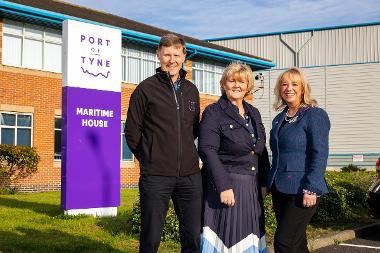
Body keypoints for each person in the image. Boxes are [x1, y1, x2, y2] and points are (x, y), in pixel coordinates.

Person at [124, 33, 202, 253]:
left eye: (176, 54)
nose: (171, 59)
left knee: (193, 237)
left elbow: (193, 130)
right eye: (167, 54)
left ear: (184, 56)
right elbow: (131, 131)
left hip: (189, 176)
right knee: (150, 237)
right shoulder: (145, 89)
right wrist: (149, 158)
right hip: (156, 175)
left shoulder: (191, 91)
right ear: (158, 55)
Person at [199, 62, 270, 253]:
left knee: (249, 239)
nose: (237, 86)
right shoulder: (213, 112)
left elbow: (261, 151)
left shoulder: (254, 113)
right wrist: (223, 186)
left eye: (242, 82)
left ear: (248, 86)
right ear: (224, 84)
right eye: (232, 81)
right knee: (228, 241)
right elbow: (207, 150)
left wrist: (265, 184)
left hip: (252, 189)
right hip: (227, 187)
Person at [267, 67, 330, 253]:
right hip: (280, 189)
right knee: (297, 244)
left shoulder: (314, 114)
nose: (289, 88)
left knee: (283, 243)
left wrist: (312, 187)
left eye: (294, 84)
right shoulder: (279, 119)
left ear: (303, 88)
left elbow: (319, 153)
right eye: (284, 84)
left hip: (303, 189)